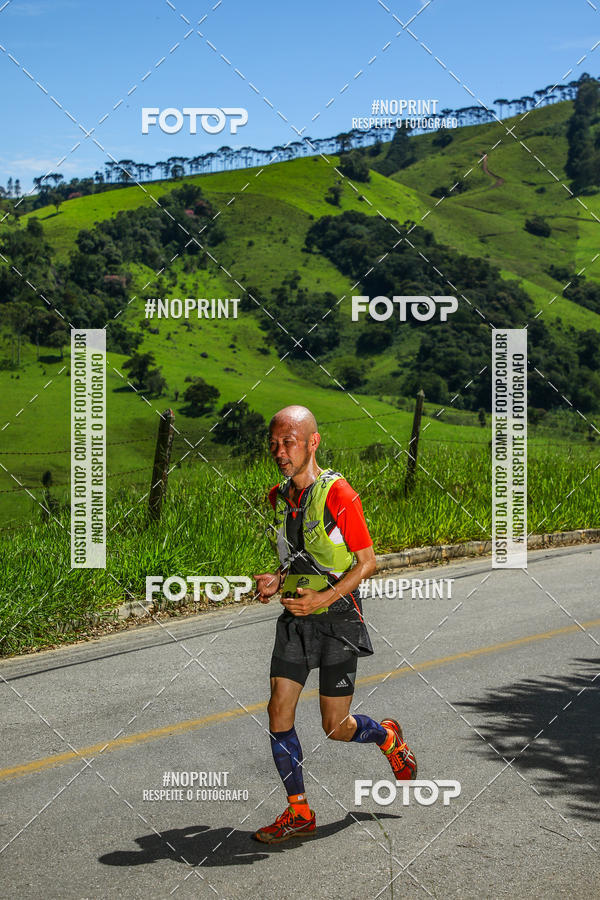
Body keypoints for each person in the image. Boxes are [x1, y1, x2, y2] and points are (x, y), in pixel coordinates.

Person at [252, 405, 417, 844]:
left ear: (313, 442)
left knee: (335, 726)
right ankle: (299, 812)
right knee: (278, 710)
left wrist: (322, 599)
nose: (280, 452)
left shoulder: (340, 494)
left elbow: (367, 562)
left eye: (289, 443)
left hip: (338, 619)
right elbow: (298, 557)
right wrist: (277, 579)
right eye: (274, 444)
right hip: (296, 619)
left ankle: (386, 737)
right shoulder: (278, 497)